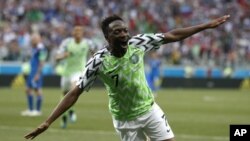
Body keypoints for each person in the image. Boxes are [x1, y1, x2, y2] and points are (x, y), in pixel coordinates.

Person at [25, 14, 230, 141]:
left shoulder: (138, 42)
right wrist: (48, 122)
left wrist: (205, 26)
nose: (124, 34)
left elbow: (172, 35)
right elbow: (75, 92)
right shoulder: (98, 61)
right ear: (107, 37)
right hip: (125, 120)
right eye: (117, 32)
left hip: (150, 109)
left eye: (125, 30)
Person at [55, 25, 96, 128]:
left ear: (82, 34)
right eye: (75, 32)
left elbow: (95, 54)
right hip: (66, 72)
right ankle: (64, 117)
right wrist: (64, 55)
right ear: (73, 33)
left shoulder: (88, 43)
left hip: (79, 71)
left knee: (73, 90)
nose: (77, 34)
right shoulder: (67, 43)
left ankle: (71, 112)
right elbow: (57, 57)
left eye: (79, 32)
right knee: (64, 94)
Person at [21, 33, 47, 117]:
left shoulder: (41, 48)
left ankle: (38, 110)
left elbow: (42, 62)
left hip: (36, 72)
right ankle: (31, 109)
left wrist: (38, 74)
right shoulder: (34, 48)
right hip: (31, 72)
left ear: (38, 39)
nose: (31, 41)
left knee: (37, 90)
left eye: (33, 39)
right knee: (28, 89)